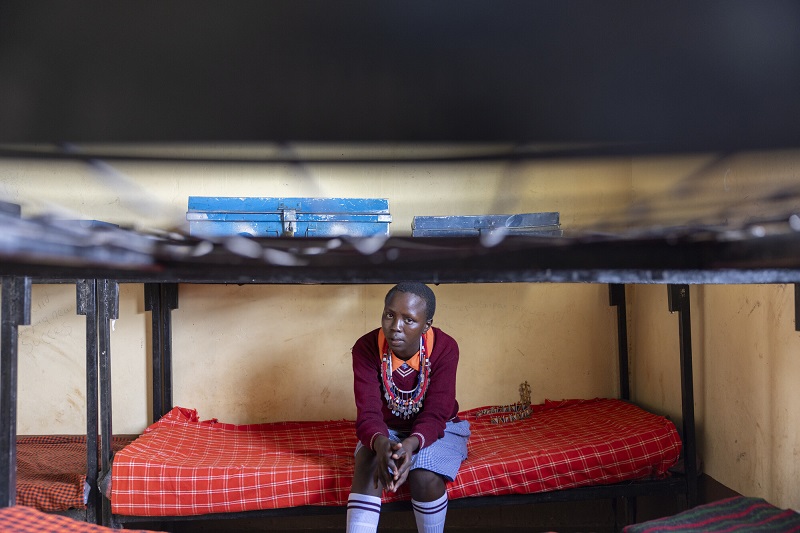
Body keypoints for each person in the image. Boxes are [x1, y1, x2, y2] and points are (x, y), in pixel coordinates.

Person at [346, 282, 470, 533]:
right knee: (370, 465)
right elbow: (368, 413)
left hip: (439, 427)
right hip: (385, 429)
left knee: (424, 475)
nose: (395, 327)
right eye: (389, 314)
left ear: (426, 325)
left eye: (409, 320)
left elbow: (437, 412)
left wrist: (411, 445)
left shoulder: (445, 348)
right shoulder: (366, 347)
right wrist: (381, 444)